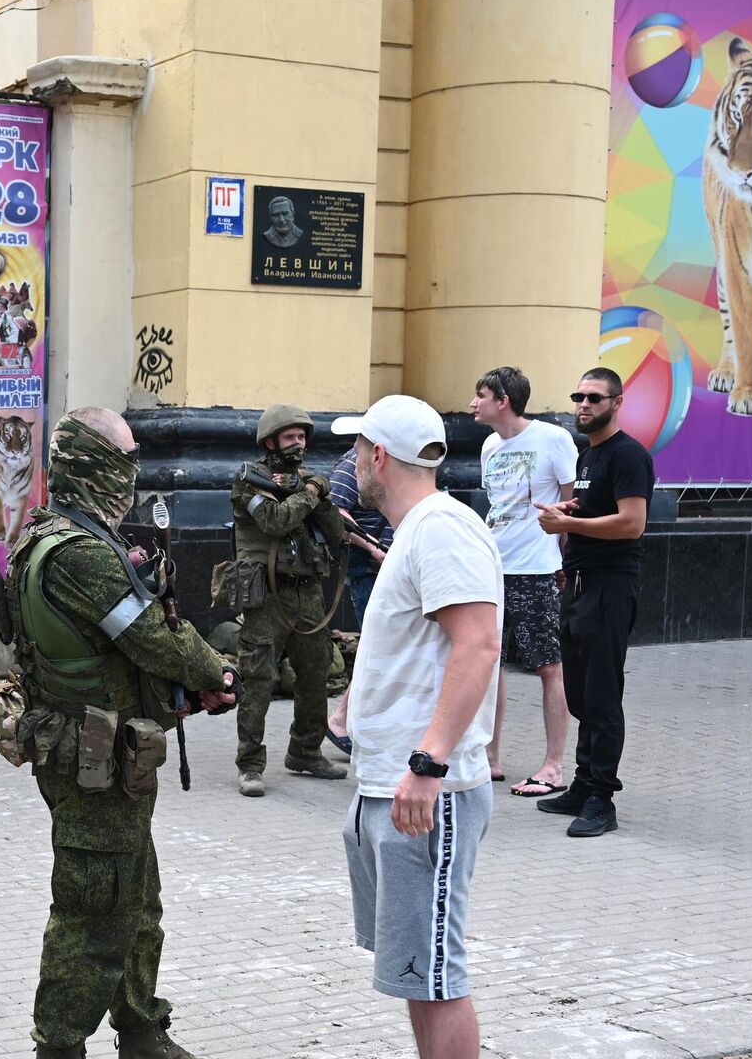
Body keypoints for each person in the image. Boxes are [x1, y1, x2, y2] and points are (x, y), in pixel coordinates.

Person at [0, 407, 236, 1059]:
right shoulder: (78, 554)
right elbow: (151, 638)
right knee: (92, 910)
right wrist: (216, 671)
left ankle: (141, 1030)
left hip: (110, 747)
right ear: (98, 466)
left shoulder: (67, 538)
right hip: (91, 751)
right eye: (125, 459)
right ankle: (60, 1046)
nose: (133, 475)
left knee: (137, 897)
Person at [333, 395, 503, 1059]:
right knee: (415, 973)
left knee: (436, 976)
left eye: (355, 452)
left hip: (428, 792)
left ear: (379, 456)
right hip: (392, 785)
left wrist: (429, 764)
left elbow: (479, 645)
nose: (352, 466)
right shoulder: (417, 531)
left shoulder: (441, 528)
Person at [531, 368, 653, 838]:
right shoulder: (590, 455)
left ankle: (602, 797)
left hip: (610, 586)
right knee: (579, 691)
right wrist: (569, 513)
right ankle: (583, 783)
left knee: (601, 696)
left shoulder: (628, 455)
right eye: (578, 396)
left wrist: (569, 527)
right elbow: (596, 510)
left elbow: (632, 523)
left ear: (617, 403)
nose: (583, 404)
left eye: (594, 398)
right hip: (578, 582)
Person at [230, 405, 349, 797]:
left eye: (302, 438)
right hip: (267, 594)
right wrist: (311, 491)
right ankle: (250, 764)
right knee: (259, 676)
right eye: (290, 438)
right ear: (271, 442)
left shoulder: (304, 482)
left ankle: (305, 750)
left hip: (308, 592)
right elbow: (275, 521)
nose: (298, 444)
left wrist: (320, 496)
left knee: (315, 671)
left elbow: (334, 533)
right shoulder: (249, 481)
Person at [470, 366, 578, 795]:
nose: (473, 403)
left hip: (536, 570)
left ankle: (553, 765)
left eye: (481, 395)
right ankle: (489, 757)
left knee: (548, 666)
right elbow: (499, 507)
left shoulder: (553, 440)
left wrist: (564, 561)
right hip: (492, 569)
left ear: (503, 401)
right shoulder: (489, 445)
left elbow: (572, 506)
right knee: (488, 663)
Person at [324, 448, 395, 755]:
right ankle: (342, 720)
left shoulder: (393, 458)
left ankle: (351, 721)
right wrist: (376, 549)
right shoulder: (353, 462)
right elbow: (334, 510)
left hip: (390, 568)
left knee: (385, 649)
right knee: (380, 650)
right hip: (369, 570)